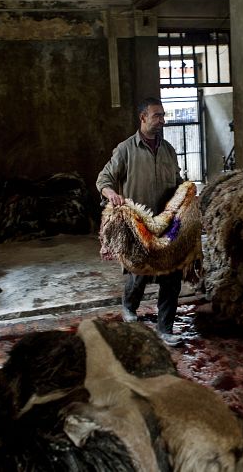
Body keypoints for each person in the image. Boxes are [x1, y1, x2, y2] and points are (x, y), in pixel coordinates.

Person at [97, 97, 185, 347]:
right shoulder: (126, 149)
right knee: (139, 273)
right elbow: (103, 179)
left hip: (166, 223)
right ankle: (129, 305)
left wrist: (186, 193)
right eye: (157, 115)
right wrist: (111, 194)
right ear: (143, 117)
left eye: (163, 115)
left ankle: (165, 328)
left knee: (171, 275)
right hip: (138, 224)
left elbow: (177, 181)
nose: (162, 120)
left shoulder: (168, 149)